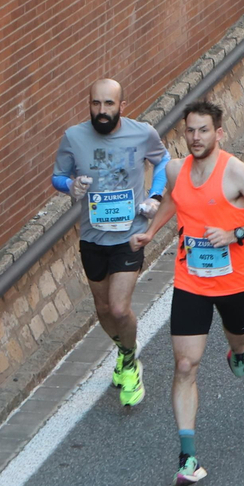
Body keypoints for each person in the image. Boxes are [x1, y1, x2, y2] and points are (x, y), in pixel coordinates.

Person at [131, 100, 244, 486]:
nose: (195, 138)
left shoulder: (236, 172)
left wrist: (236, 233)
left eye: (203, 130)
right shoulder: (175, 169)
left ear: (218, 133)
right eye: (190, 131)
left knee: (240, 337)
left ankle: (240, 350)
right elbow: (175, 197)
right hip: (190, 281)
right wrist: (151, 233)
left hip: (234, 280)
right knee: (185, 365)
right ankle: (188, 457)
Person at [51, 78, 168, 409]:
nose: (102, 111)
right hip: (92, 236)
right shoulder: (74, 137)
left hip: (130, 233)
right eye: (96, 104)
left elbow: (163, 161)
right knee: (102, 309)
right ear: (88, 104)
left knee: (119, 307)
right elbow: (57, 175)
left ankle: (131, 365)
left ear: (122, 106)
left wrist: (156, 196)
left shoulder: (142, 132)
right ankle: (124, 350)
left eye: (109, 104)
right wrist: (70, 185)